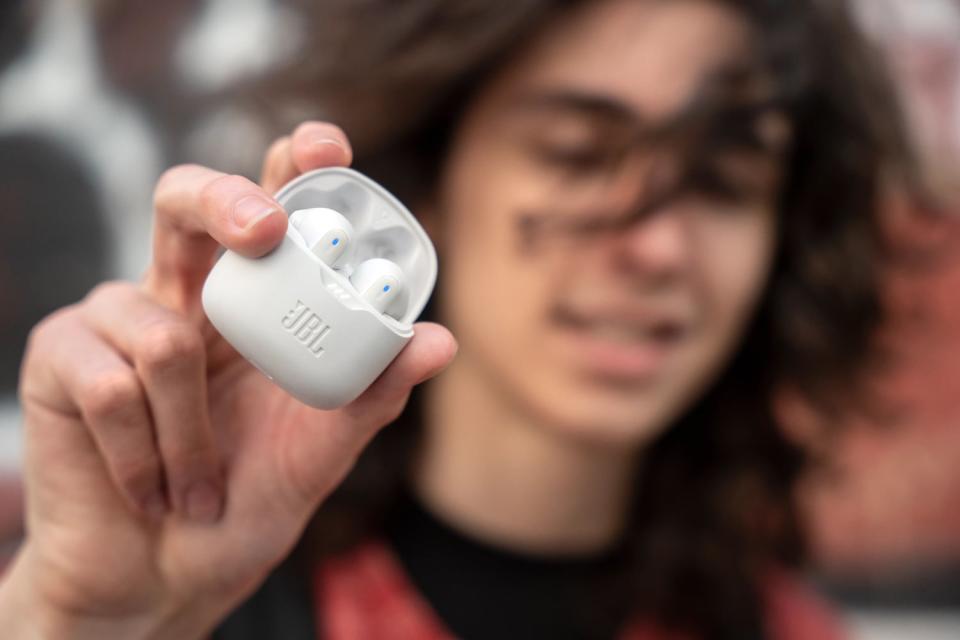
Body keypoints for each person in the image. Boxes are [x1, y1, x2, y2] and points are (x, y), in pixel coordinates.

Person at [0, 0, 925, 638]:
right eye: (576, 153)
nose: (660, 248)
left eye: (725, 181)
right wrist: (74, 625)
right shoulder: (200, 593)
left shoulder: (794, 630)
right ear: (434, 184)